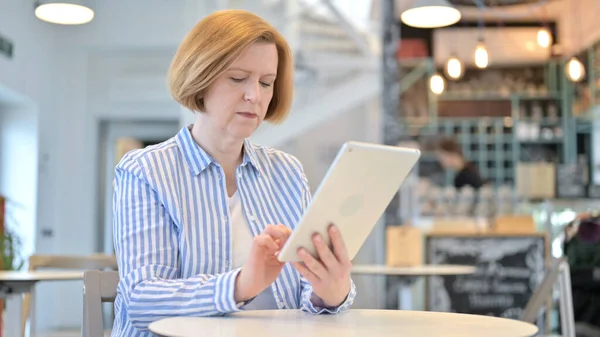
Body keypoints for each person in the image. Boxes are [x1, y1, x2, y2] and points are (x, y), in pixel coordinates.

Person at [110, 10, 356, 337]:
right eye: (238, 78)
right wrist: (241, 285)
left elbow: (303, 298)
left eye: (266, 83)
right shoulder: (144, 171)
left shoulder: (287, 172)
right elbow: (141, 300)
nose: (255, 95)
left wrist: (330, 293)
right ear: (200, 78)